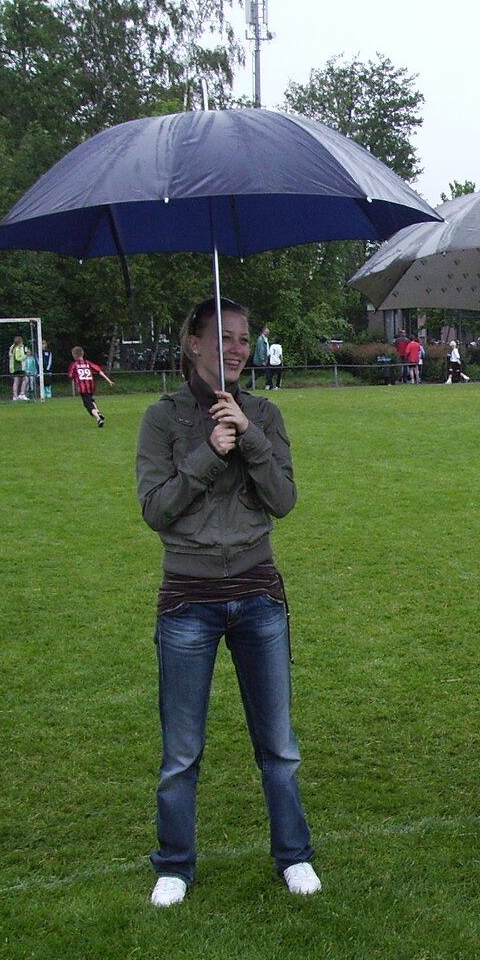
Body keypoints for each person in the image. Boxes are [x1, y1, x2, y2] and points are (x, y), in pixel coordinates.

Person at [135, 296, 319, 907]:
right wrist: (209, 452)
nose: (236, 349)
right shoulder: (161, 418)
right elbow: (156, 509)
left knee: (278, 746)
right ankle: (174, 864)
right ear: (193, 343)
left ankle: (293, 855)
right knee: (181, 751)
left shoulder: (263, 413)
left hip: (257, 593)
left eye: (243, 339)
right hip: (187, 599)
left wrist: (249, 438)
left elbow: (284, 500)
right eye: (223, 338)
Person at [66, 345, 114, 427]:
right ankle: (98, 412)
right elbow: (99, 371)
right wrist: (108, 380)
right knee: (91, 400)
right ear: (82, 354)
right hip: (91, 386)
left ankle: (98, 418)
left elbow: (70, 375)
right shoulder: (88, 363)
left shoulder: (74, 365)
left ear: (74, 356)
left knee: (88, 405)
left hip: (83, 388)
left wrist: (75, 378)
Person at [8, 334, 29, 400]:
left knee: (16, 381)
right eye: (21, 342)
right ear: (19, 342)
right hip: (18, 368)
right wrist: (25, 357)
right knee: (25, 379)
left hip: (15, 368)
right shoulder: (17, 349)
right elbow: (17, 358)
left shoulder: (14, 348)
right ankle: (22, 394)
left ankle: (15, 396)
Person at [250, 325, 269, 390]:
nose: (268, 333)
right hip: (261, 360)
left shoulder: (264, 339)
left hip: (263, 359)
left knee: (259, 373)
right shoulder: (261, 340)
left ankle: (249, 384)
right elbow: (261, 350)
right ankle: (249, 384)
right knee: (262, 373)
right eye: (267, 332)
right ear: (263, 331)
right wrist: (263, 360)